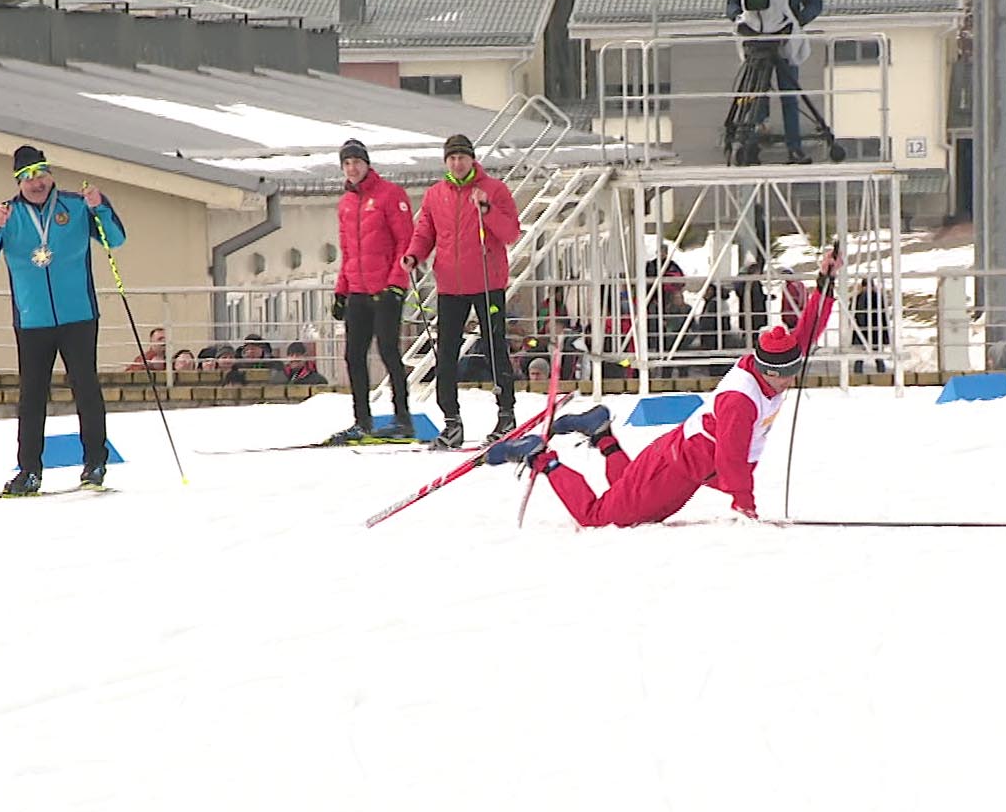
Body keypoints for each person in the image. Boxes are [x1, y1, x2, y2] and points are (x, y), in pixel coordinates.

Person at [489, 250, 842, 526]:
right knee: (598, 516)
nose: (791, 379)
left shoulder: (768, 367)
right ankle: (541, 457)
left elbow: (805, 335)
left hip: (679, 460)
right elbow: (730, 458)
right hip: (677, 470)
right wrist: (745, 506)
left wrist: (826, 281)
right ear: (768, 370)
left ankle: (602, 436)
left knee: (628, 491)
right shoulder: (741, 401)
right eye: (787, 374)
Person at [0, 144, 126, 495]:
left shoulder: (74, 205)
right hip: (32, 320)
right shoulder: (9, 215)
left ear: (50, 174)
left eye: (40, 174)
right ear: (18, 182)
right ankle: (29, 471)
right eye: (26, 177)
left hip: (78, 315)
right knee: (32, 396)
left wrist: (100, 207)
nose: (35, 182)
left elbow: (115, 239)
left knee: (86, 388)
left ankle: (95, 463)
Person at [403, 132, 523, 449]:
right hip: (450, 285)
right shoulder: (435, 195)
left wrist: (487, 211)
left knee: (495, 348)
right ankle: (451, 421)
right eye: (452, 158)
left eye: (462, 157)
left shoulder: (493, 190)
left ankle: (506, 414)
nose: (457, 163)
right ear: (446, 162)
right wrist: (414, 255)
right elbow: (425, 231)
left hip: (487, 282)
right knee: (445, 354)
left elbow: (511, 233)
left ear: (472, 159)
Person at [331, 138, 415, 443]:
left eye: (357, 162)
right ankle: (362, 420)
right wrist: (342, 290)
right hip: (357, 290)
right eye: (347, 163)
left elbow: (405, 242)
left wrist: (396, 283)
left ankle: (402, 418)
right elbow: (348, 252)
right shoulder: (346, 203)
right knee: (354, 355)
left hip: (385, 289)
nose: (352, 168)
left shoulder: (390, 195)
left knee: (389, 352)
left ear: (367, 164)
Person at [725, 0, 824, 163]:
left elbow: (815, 2)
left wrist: (794, 24)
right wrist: (745, 23)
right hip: (758, 44)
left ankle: (793, 148)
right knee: (757, 95)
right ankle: (753, 145)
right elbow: (732, 5)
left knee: (788, 95)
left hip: (784, 42)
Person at [851, 279, 891, 374]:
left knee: (860, 357)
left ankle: (858, 376)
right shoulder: (878, 298)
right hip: (876, 332)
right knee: (878, 356)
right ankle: (881, 375)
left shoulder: (857, 298)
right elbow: (884, 317)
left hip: (861, 331)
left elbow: (853, 316)